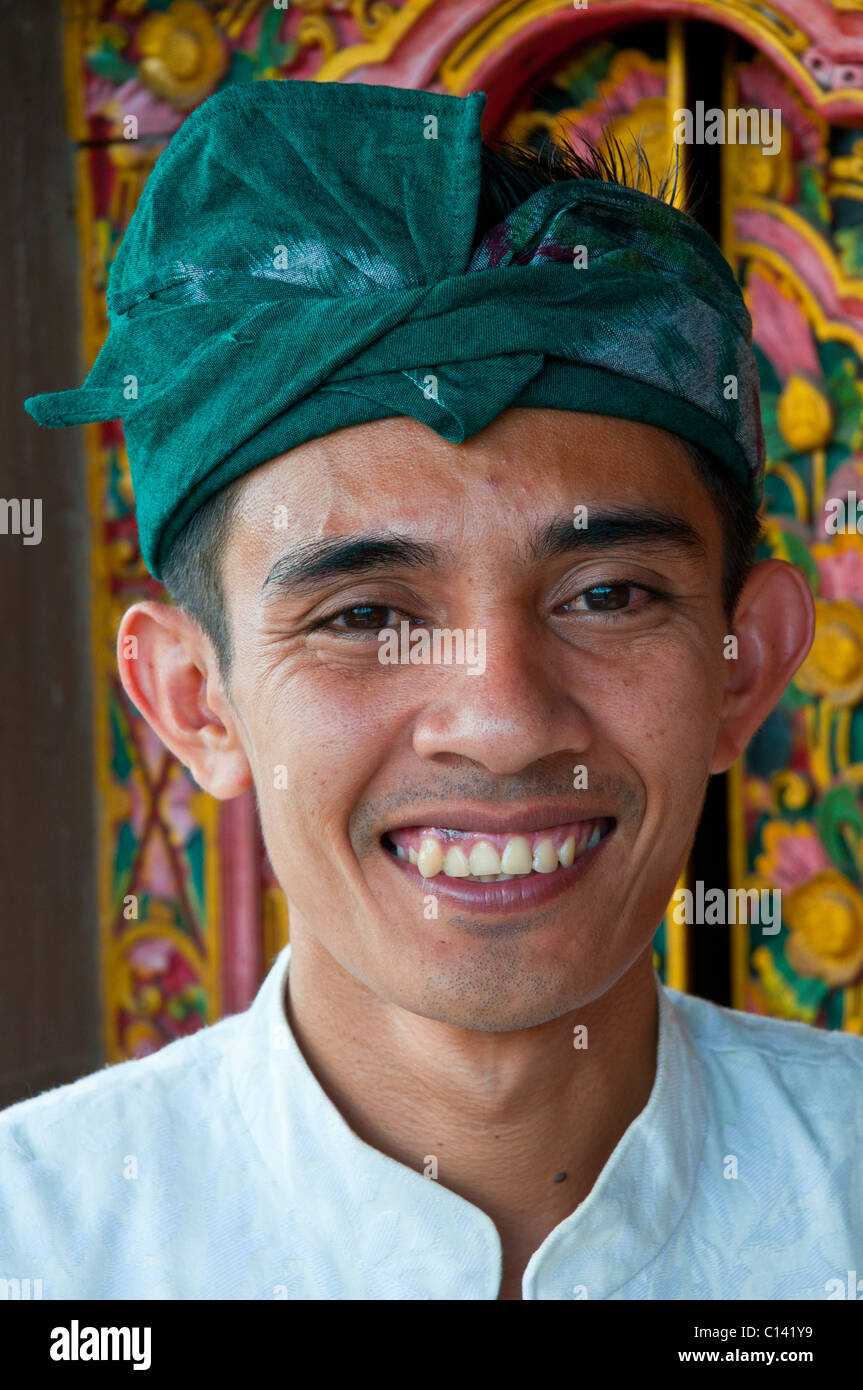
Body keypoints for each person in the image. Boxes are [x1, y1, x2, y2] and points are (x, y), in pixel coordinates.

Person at [5, 78, 860, 1301]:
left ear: (744, 661)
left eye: (606, 595)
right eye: (363, 616)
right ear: (195, 700)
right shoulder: (41, 1256)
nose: (502, 720)